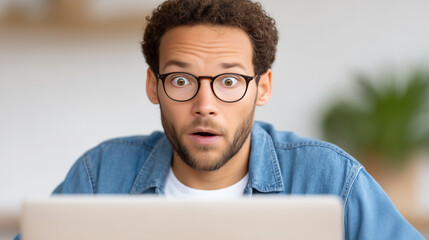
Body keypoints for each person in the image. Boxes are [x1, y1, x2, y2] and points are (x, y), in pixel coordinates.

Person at [15, 0, 424, 239]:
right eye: (180, 80)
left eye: (229, 81)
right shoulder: (100, 175)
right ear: (153, 87)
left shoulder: (333, 179)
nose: (205, 104)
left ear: (262, 87)